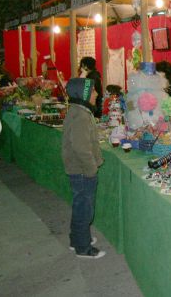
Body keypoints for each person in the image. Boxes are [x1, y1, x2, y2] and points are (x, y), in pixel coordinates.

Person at [62, 78, 105, 259]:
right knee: (84, 208)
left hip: (79, 169)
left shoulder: (80, 111)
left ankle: (77, 238)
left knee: (80, 205)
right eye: (93, 91)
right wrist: (91, 169)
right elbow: (81, 147)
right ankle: (83, 248)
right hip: (82, 170)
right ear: (84, 93)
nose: (96, 94)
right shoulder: (80, 116)